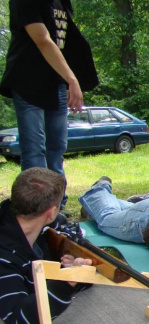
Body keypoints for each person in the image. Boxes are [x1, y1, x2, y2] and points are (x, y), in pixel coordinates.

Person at [0, 0, 98, 211]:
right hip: (28, 82)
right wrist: (73, 80)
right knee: (35, 150)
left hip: (55, 83)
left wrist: (72, 78)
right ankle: (35, 209)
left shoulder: (61, 2)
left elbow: (68, 41)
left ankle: (57, 206)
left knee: (56, 149)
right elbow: (43, 40)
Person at [0, 168, 92, 324]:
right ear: (50, 212)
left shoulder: (47, 228)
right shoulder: (5, 256)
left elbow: (89, 262)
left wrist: (76, 269)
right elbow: (20, 321)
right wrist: (66, 282)